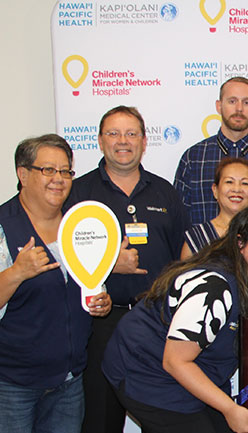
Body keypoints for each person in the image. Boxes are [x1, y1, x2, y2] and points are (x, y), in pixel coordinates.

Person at [102, 203, 248, 432]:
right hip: (147, 371)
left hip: (199, 369)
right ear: (240, 243)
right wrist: (229, 408)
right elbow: (175, 361)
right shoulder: (214, 287)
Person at [66, 106, 190, 433]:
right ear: (99, 141)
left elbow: (182, 260)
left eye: (131, 134)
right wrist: (108, 265)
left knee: (160, 416)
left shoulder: (165, 192)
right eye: (114, 133)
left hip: (155, 322)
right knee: (101, 418)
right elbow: (65, 259)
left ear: (144, 141)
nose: (123, 141)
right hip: (100, 323)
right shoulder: (78, 193)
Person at [0, 134, 111, 432]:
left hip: (69, 382)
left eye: (65, 171)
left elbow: (89, 283)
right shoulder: (3, 225)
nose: (59, 179)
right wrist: (17, 272)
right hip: (12, 386)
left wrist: (101, 300)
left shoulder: (80, 225)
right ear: (23, 174)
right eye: (48, 170)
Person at [175, 76, 248, 225]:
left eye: (246, 102)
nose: (239, 109)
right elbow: (178, 218)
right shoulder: (194, 158)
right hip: (204, 241)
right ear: (219, 106)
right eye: (232, 101)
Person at [181, 158, 248, 258]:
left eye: (244, 183)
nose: (237, 189)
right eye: (229, 182)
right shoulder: (197, 237)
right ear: (215, 190)